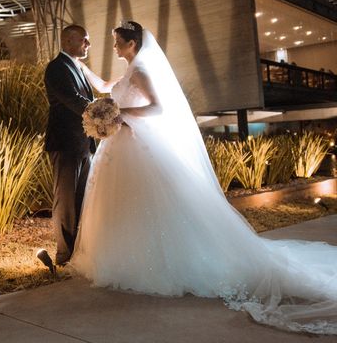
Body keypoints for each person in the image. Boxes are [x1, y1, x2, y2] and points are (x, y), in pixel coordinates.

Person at [71, 20, 337, 335]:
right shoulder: (130, 71)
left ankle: (157, 265)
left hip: (138, 146)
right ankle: (124, 258)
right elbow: (104, 86)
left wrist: (121, 116)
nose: (114, 47)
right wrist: (79, 66)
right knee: (123, 205)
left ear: (131, 44)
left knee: (149, 203)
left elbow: (158, 107)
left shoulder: (142, 72)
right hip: (122, 145)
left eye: (117, 42)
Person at [44, 24, 96, 266]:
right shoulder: (56, 68)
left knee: (81, 199)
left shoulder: (77, 67)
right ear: (67, 42)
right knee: (65, 201)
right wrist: (104, 113)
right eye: (84, 40)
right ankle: (64, 256)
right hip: (65, 144)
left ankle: (78, 251)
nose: (88, 45)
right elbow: (73, 101)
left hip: (83, 144)